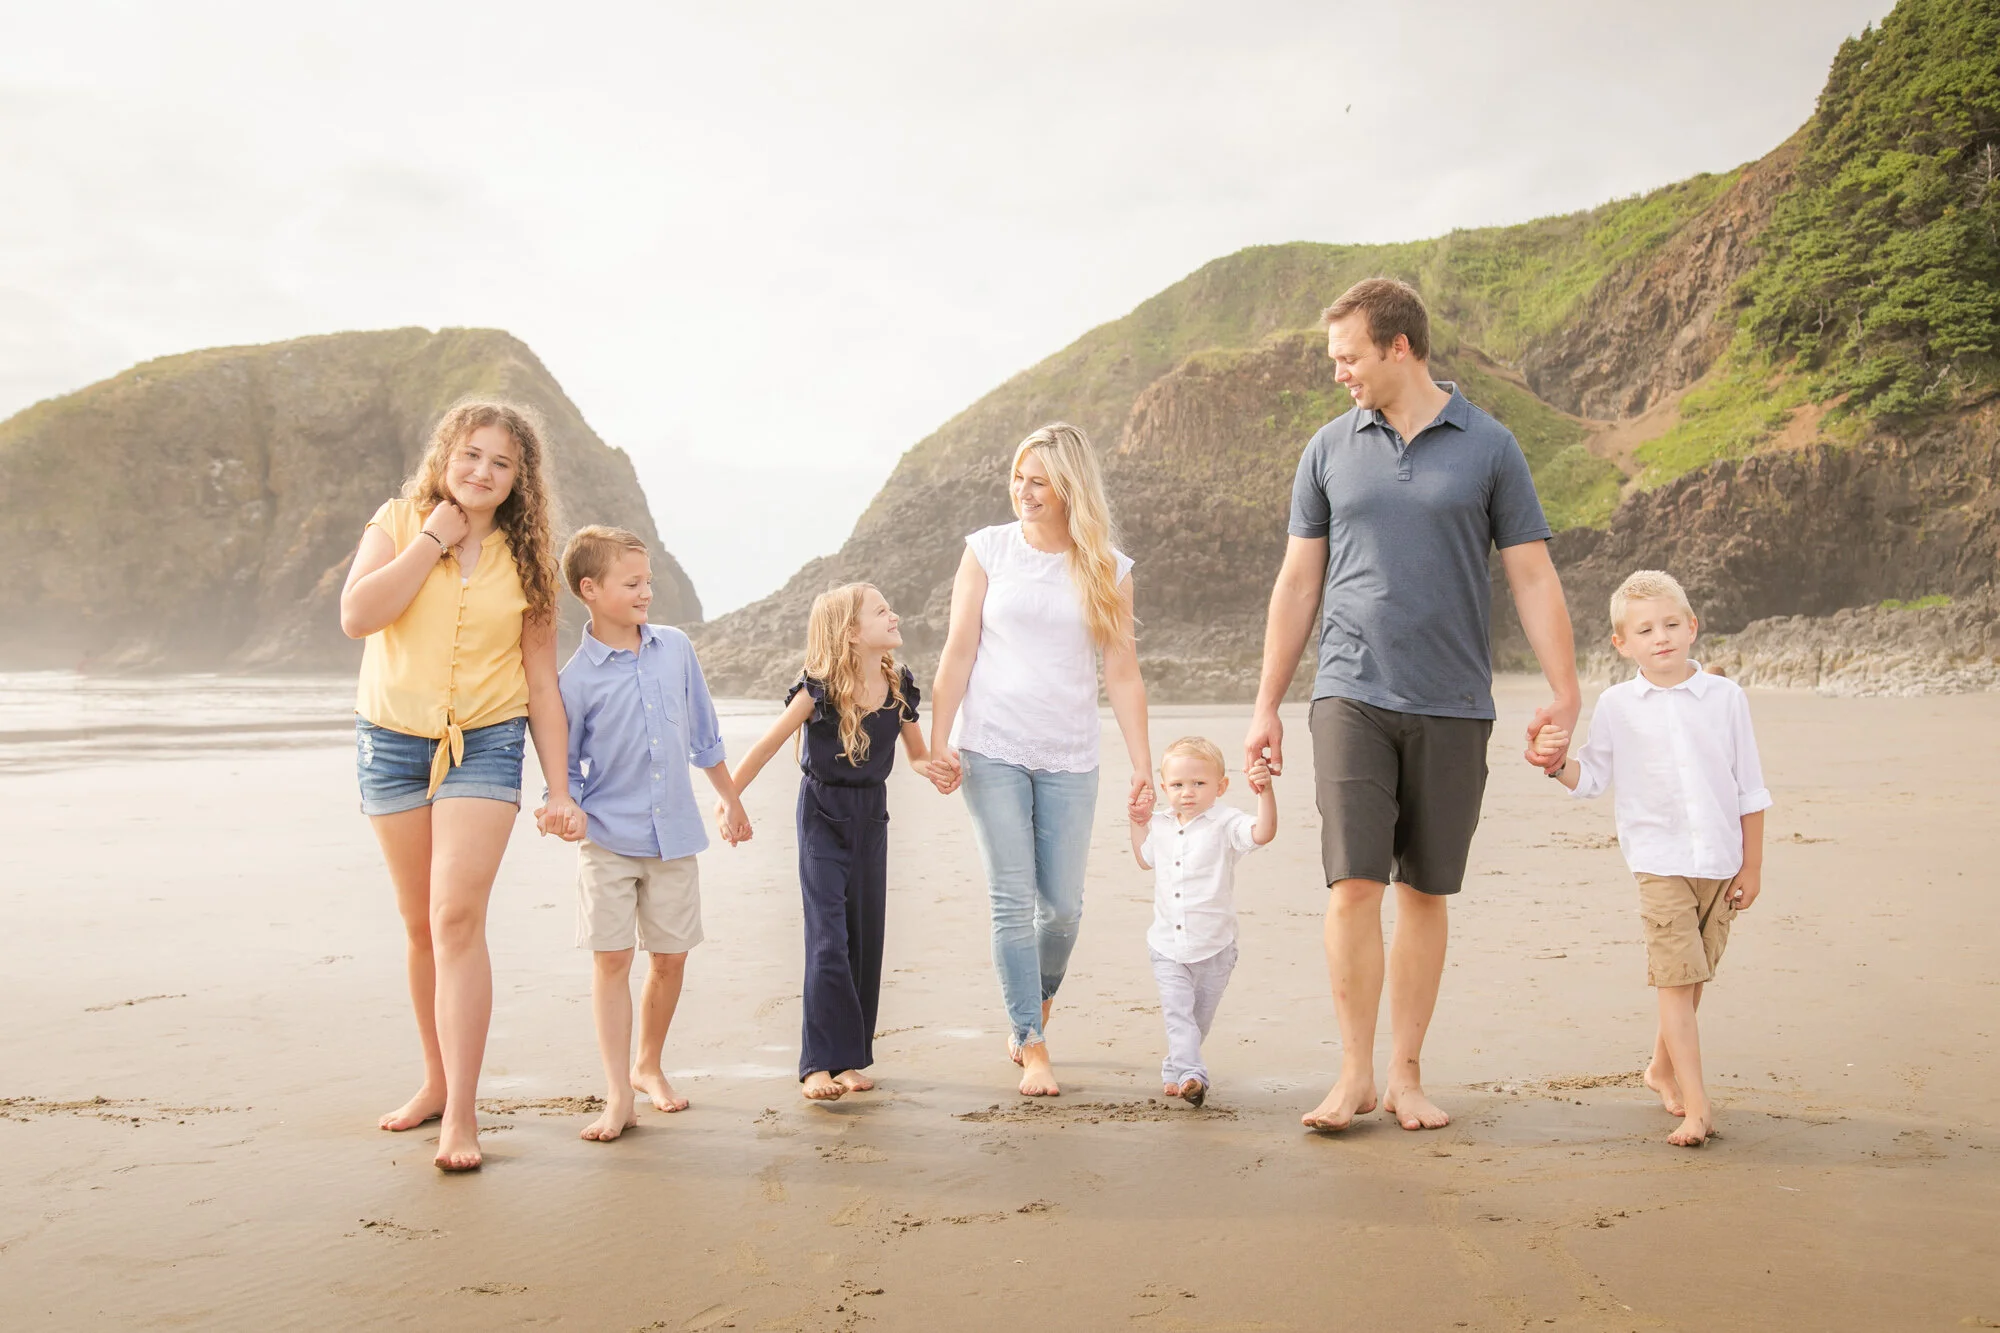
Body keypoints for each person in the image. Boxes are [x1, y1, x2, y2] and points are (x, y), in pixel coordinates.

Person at [1243, 277, 1582, 1134]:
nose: (1338, 373)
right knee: (1354, 881)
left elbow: (1533, 574)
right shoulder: (1326, 449)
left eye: (1348, 356)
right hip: (1350, 689)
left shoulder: (1492, 447)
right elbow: (1297, 582)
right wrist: (1265, 704)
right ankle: (1354, 1072)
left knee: (1425, 890)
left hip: (1455, 699)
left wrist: (1566, 691)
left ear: (1399, 346)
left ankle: (1405, 1073)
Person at [339, 400, 580, 1171]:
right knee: (419, 924)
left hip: (487, 739)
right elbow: (358, 615)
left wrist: (559, 789)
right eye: (471, 454)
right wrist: (435, 540)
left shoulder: (528, 559)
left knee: (454, 917)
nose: (482, 471)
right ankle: (435, 1083)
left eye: (501, 463)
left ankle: (464, 1116)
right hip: (392, 742)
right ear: (447, 453)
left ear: (519, 479)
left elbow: (542, 683)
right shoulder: (398, 519)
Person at [928, 422, 1154, 1098]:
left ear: (1069, 486)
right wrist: (939, 740)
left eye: (1037, 480)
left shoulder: (1108, 566)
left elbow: (1123, 672)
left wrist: (1142, 765)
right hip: (991, 744)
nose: (1023, 491)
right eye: (1018, 478)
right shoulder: (987, 550)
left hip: (1069, 752)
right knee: (1011, 897)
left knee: (1062, 910)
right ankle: (1031, 1039)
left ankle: (1036, 999)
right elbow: (958, 651)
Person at [1530, 570, 1770, 1147]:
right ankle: (1697, 1105)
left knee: (1692, 979)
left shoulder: (1725, 698)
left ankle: (1661, 1070)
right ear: (1622, 643)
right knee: (1675, 978)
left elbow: (1750, 788)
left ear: (1692, 626)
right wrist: (1553, 763)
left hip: (1720, 859)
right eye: (1644, 629)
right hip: (1659, 861)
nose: (1659, 637)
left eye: (1669, 624)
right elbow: (1591, 779)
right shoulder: (1617, 706)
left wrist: (1753, 865)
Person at [552, 525, 750, 1143]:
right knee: (611, 959)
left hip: (675, 835)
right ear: (591, 589)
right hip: (608, 838)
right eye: (632, 583)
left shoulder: (676, 648)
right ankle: (617, 1095)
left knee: (669, 957)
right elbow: (568, 767)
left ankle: (648, 1066)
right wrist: (566, 808)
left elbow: (704, 734)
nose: (645, 592)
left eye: (648, 582)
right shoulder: (574, 679)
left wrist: (730, 800)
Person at [728, 584, 931, 1101]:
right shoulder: (816, 691)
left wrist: (940, 769)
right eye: (881, 611)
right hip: (822, 815)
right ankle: (818, 1063)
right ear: (851, 632)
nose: (894, 615)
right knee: (827, 939)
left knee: (865, 936)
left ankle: (850, 1060)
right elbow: (767, 745)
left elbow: (917, 755)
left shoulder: (899, 684)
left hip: (872, 817)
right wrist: (729, 800)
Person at [1128, 736, 1276, 1108]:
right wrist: (1138, 822)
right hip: (1166, 946)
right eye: (1177, 785)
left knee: (1198, 1018)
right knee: (1178, 1013)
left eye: (1199, 783)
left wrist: (1265, 793)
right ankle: (1193, 1075)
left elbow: (1263, 833)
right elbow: (1145, 860)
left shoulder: (1227, 822)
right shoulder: (1160, 824)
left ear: (1221, 786)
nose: (1187, 793)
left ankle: (1173, 1068)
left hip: (1215, 947)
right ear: (1164, 788)